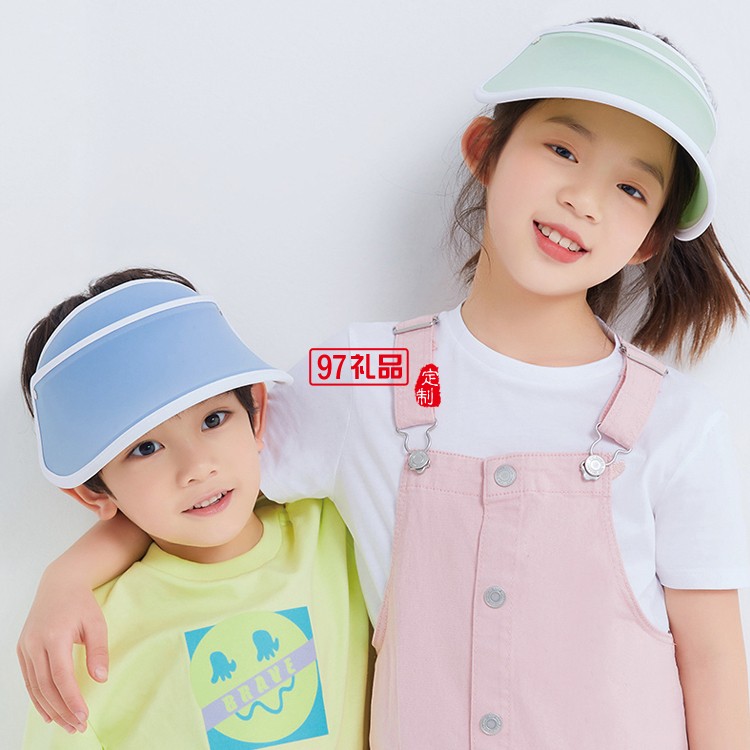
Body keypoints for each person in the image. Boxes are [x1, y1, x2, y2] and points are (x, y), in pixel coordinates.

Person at [17, 18, 750, 749]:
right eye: (562, 149)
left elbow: (715, 660)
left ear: (650, 238)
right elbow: (205, 470)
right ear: (485, 151)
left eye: (630, 188)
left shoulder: (674, 421)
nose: (585, 200)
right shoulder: (374, 366)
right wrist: (67, 578)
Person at [19, 268, 371, 749]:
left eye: (213, 419)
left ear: (256, 412)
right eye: (145, 448)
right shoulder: (84, 640)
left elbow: (414, 370)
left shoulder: (335, 523)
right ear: (92, 492)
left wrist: (66, 575)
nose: (197, 467)